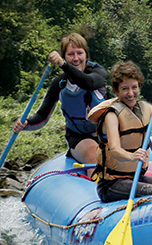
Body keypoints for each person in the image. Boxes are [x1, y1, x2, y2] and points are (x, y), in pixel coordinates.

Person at [88, 61, 152, 203]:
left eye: (134, 87)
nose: (131, 93)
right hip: (112, 184)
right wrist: (132, 156)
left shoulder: (144, 108)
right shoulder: (111, 115)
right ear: (117, 90)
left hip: (137, 178)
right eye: (125, 89)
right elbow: (114, 150)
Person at [12, 32, 107, 166]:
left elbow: (88, 83)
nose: (76, 58)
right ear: (65, 57)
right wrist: (25, 123)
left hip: (108, 133)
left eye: (79, 53)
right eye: (70, 54)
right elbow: (42, 116)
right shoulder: (59, 83)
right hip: (80, 137)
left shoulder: (97, 73)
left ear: (86, 55)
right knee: (94, 155)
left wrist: (63, 65)